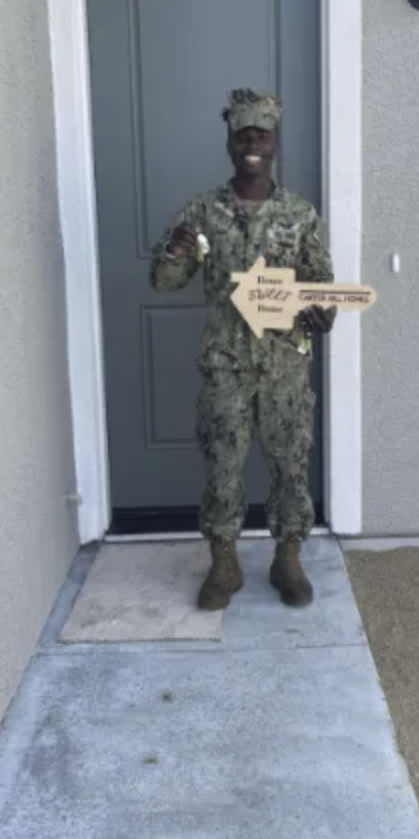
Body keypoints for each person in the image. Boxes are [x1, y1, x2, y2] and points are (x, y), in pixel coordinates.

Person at [150, 89, 334, 611]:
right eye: (243, 136)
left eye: (262, 136)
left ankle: (288, 557)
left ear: (275, 143)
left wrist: (324, 313)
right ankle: (224, 562)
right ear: (229, 143)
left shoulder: (299, 214)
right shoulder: (203, 213)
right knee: (222, 465)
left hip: (284, 367)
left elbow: (320, 283)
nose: (253, 145)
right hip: (226, 366)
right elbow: (166, 281)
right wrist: (175, 251)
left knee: (291, 466)